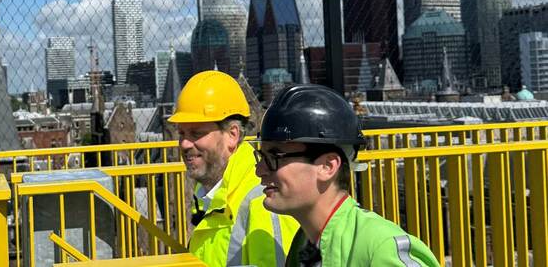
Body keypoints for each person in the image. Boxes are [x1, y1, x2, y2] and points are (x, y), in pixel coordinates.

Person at [254, 84, 439, 266]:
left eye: (274, 157)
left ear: (328, 166)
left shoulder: (382, 248)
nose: (259, 170)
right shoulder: (303, 244)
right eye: (262, 157)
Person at [168, 70, 299, 267]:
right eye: (182, 133)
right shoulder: (215, 197)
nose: (185, 144)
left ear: (232, 135)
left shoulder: (264, 203)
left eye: (196, 133)